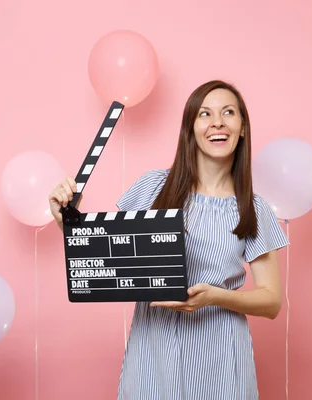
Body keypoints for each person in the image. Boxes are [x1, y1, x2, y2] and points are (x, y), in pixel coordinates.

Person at [48, 80, 289, 399]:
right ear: (191, 128)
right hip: (154, 348)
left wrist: (214, 296)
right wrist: (63, 217)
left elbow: (271, 301)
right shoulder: (154, 186)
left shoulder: (253, 208)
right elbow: (107, 253)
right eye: (205, 114)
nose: (217, 121)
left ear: (242, 128)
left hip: (219, 352)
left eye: (228, 112)